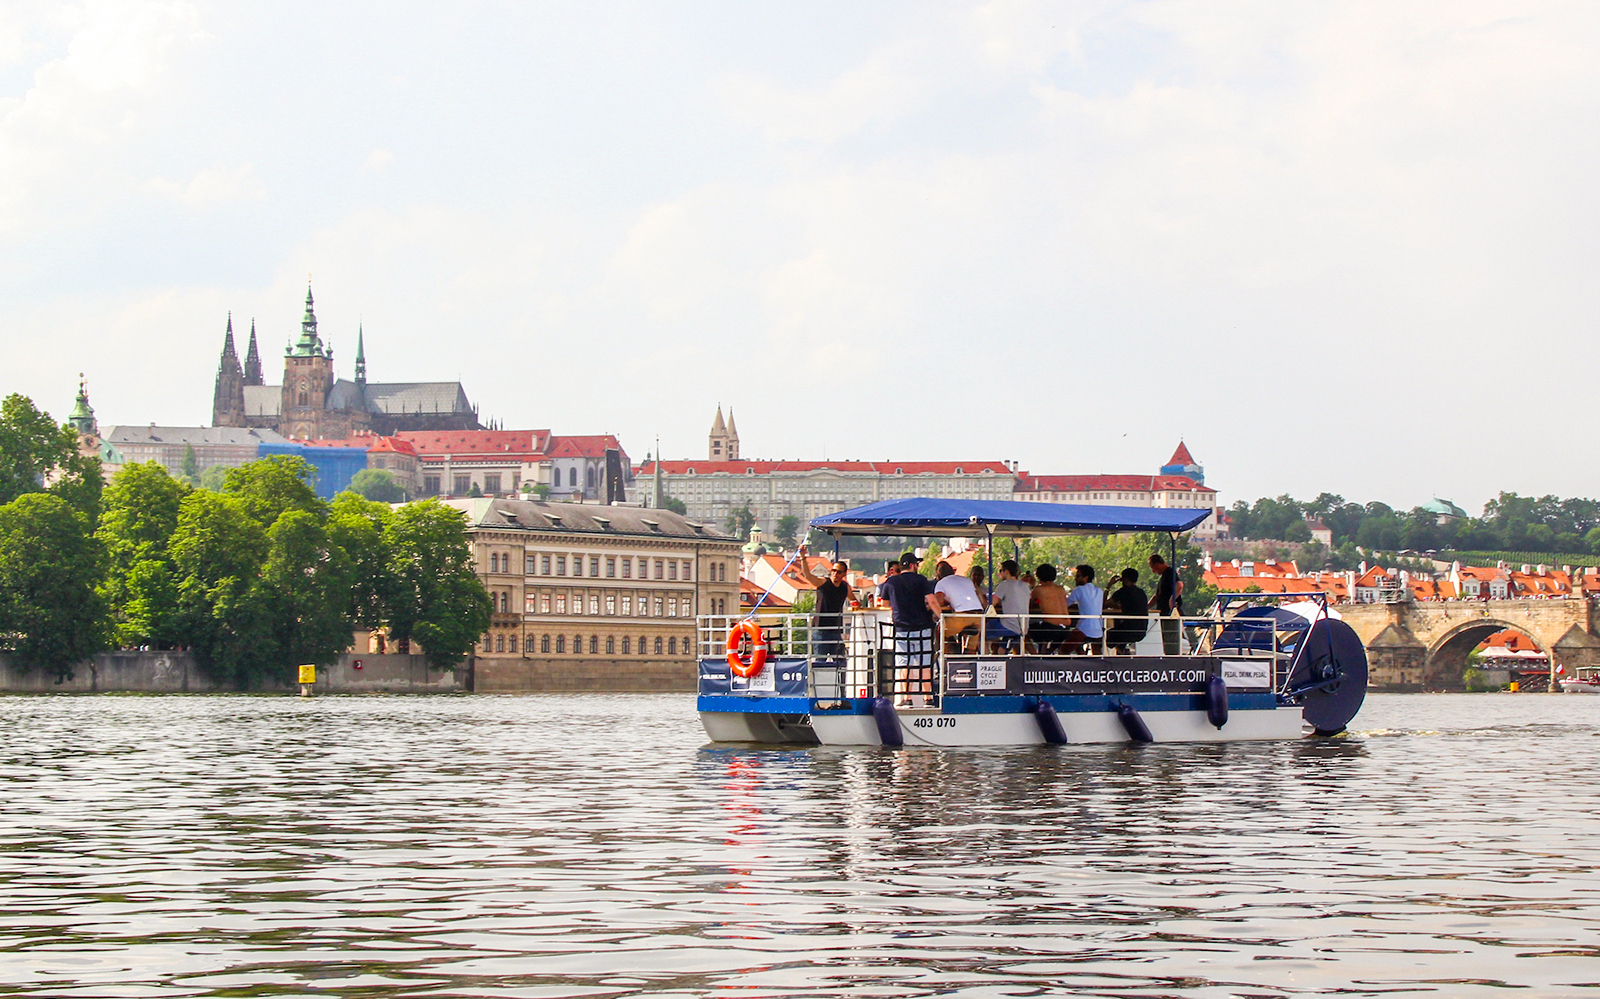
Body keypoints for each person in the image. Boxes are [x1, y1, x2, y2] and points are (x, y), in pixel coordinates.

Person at [878, 552, 936, 704]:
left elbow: (884, 605)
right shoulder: (922, 580)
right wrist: (941, 616)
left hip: (902, 629)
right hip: (923, 628)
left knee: (905, 663)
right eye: (916, 564)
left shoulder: (890, 583)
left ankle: (907, 697)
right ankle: (928, 697)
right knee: (924, 663)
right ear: (912, 565)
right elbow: (932, 601)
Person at [797, 545, 850, 660]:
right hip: (821, 629)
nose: (835, 574)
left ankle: (842, 679)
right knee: (820, 661)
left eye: (839, 572)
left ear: (844, 574)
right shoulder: (823, 583)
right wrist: (803, 557)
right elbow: (808, 575)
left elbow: (854, 600)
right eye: (833, 570)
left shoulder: (845, 587)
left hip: (836, 629)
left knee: (841, 661)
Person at [931, 560, 985, 653]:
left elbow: (938, 602)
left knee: (941, 631)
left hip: (962, 616)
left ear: (938, 576)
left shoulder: (941, 583)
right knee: (971, 645)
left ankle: (947, 656)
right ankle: (969, 658)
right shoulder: (966, 580)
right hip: (979, 616)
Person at [1028, 563, 1071, 652]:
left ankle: (1035, 656)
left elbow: (1028, 604)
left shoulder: (1038, 589)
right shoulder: (1061, 589)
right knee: (1048, 639)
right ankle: (1045, 654)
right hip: (1066, 628)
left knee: (1022, 632)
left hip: (1051, 627)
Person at [1105, 568, 1149, 655]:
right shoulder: (1141, 593)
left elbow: (1104, 604)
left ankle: (1122, 652)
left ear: (1125, 579)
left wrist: (1109, 586)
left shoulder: (1123, 592)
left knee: (1110, 633)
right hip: (1141, 631)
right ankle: (1122, 651)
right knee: (1121, 628)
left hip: (1128, 630)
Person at [989, 559, 1030, 651]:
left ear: (1006, 571)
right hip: (1023, 627)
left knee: (980, 632)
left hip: (1009, 625)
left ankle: (984, 658)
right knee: (1003, 647)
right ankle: (997, 658)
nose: (999, 574)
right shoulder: (1025, 585)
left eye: (1000, 571)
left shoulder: (1004, 585)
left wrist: (980, 595)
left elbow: (991, 604)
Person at [1065, 564, 1104, 654]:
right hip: (1098, 629)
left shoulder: (1079, 590)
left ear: (1085, 577)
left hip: (1084, 628)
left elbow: (1065, 604)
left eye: (1078, 576)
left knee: (1063, 651)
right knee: (1097, 654)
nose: (1075, 579)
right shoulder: (1099, 591)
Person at [1149, 553, 1184, 656]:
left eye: (1153, 567)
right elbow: (1157, 596)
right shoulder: (1165, 576)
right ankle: (1168, 655)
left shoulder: (1169, 573)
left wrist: (1172, 600)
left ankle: (1172, 657)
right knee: (1166, 637)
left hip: (1170, 613)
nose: (1153, 571)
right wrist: (1146, 607)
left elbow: (1179, 585)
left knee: (1171, 638)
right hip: (1164, 613)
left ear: (1158, 564)